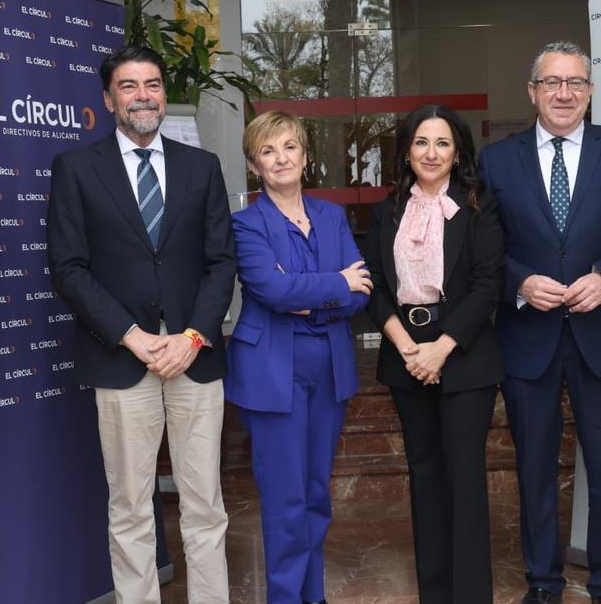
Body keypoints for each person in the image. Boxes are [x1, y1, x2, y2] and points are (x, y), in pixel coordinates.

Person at [477, 41, 601, 604]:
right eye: (552, 83)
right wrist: (518, 282)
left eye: (576, 83)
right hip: (527, 340)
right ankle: (543, 581)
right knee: (533, 469)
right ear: (532, 92)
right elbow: (481, 249)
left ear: (589, 92)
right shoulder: (497, 160)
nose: (564, 93)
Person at [47, 46, 236, 603]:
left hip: (194, 361)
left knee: (205, 505)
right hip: (121, 360)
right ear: (108, 99)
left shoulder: (201, 168)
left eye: (151, 84)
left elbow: (221, 262)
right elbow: (68, 268)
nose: (143, 95)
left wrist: (193, 337)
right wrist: (132, 336)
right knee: (130, 507)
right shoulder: (77, 169)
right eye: (128, 87)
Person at [226, 110, 371, 604]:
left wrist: (312, 293)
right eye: (268, 151)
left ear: (305, 157)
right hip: (273, 372)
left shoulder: (331, 215)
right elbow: (271, 288)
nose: (281, 158)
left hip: (328, 367)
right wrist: (334, 284)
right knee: (286, 500)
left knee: (315, 495)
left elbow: (362, 292)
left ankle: (314, 595)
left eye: (289, 147)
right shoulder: (246, 224)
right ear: (254, 164)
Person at [365, 104, 505, 603]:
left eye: (442, 143)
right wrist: (408, 348)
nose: (431, 152)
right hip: (406, 357)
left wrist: (440, 350)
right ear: (406, 150)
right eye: (421, 142)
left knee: (463, 478)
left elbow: (489, 286)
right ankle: (436, 595)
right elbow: (376, 287)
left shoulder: (480, 205)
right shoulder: (386, 210)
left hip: (463, 355)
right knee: (423, 474)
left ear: (458, 152)